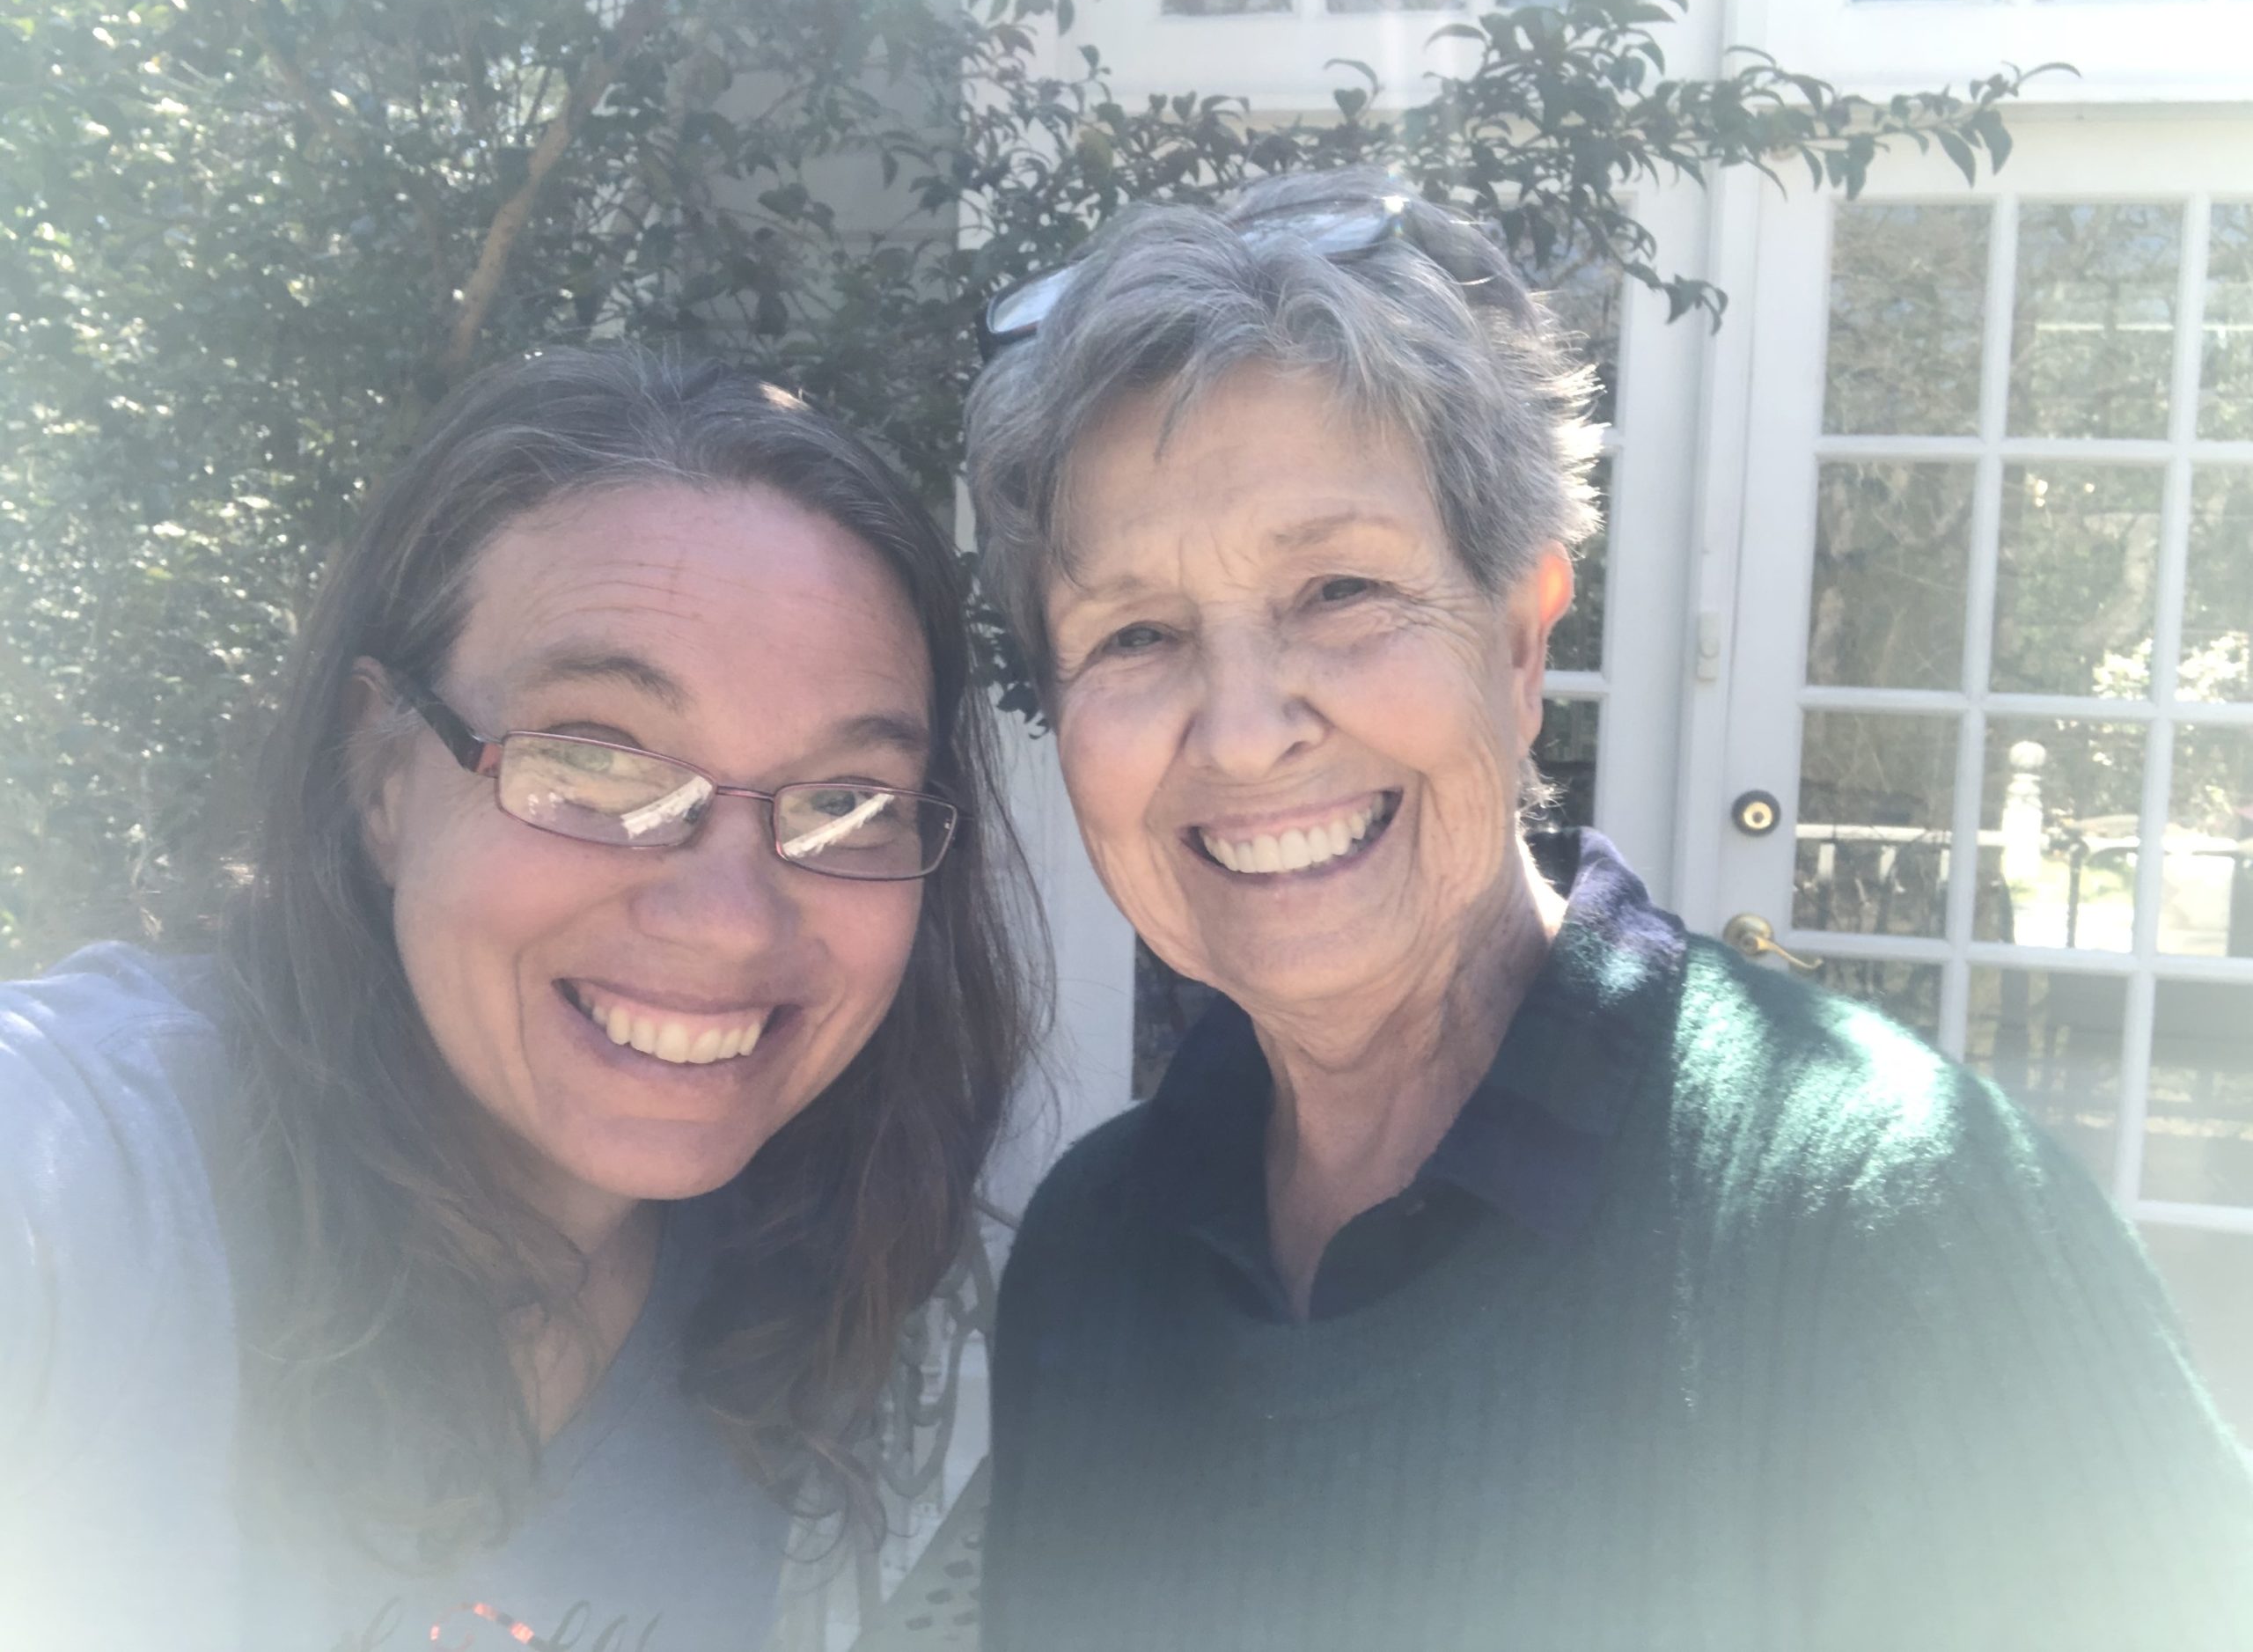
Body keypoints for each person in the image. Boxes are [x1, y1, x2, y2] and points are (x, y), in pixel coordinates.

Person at [963, 167, 2253, 1650]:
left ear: (1521, 645)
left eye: (1340, 591)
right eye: (1136, 633)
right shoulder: (1090, 1251)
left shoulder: (1897, 1229)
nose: (1246, 735)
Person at [0, 347, 1040, 1651]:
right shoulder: (88, 1180)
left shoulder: (820, 1299)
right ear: (383, 775)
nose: (730, 919)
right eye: (595, 764)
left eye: (845, 802)